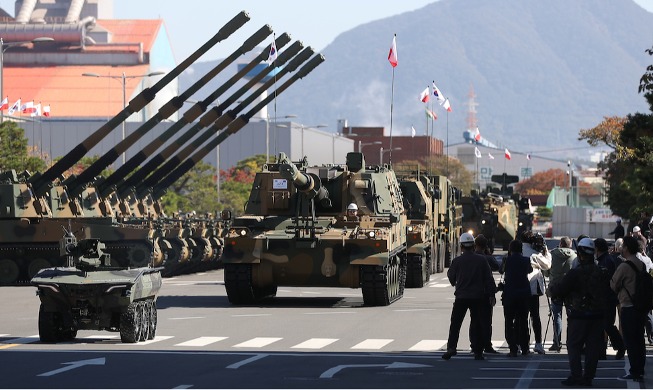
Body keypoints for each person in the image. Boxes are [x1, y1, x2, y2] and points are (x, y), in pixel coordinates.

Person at [549, 238, 606, 387]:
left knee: (574, 346)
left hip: (578, 315)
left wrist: (553, 289)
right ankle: (588, 377)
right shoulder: (600, 271)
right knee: (593, 347)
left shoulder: (575, 273)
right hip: (598, 315)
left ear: (580, 253)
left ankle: (576, 376)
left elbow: (560, 290)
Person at [442, 232, 496, 361]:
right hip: (478, 297)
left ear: (461, 246)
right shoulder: (482, 260)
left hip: (461, 296)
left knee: (455, 323)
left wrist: (457, 282)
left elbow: (451, 277)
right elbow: (489, 279)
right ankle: (478, 352)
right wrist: (492, 294)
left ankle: (451, 348)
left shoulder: (457, 261)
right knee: (477, 323)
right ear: (473, 246)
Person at [611, 236, 648, 382]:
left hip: (627, 306)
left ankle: (634, 371)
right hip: (640, 306)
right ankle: (640, 369)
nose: (621, 248)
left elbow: (613, 285)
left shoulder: (624, 266)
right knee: (639, 340)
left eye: (623, 246)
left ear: (626, 248)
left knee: (630, 341)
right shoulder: (641, 264)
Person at [500, 239, 533, 357]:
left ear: (510, 249)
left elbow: (501, 271)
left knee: (509, 322)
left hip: (510, 294)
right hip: (524, 293)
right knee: (523, 321)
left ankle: (513, 348)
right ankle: (525, 347)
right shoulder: (526, 260)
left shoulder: (506, 260)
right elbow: (530, 270)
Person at [594, 238, 626, 360]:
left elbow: (604, 280)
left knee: (606, 325)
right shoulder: (607, 259)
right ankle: (602, 351)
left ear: (597, 248)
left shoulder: (605, 261)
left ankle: (620, 346)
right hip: (607, 297)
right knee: (604, 325)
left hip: (606, 298)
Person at [521, 231, 552, 354]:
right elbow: (547, 265)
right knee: (535, 316)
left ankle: (521, 343)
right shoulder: (534, 254)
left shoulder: (518, 250)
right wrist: (546, 251)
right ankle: (538, 343)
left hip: (519, 288)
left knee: (521, 317)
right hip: (532, 289)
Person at [544, 236, 576, 352]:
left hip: (555, 288)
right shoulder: (574, 256)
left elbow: (547, 273)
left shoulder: (553, 254)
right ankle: (570, 342)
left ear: (560, 244)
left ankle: (556, 342)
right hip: (570, 289)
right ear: (570, 245)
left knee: (556, 315)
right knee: (571, 316)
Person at [473, 234, 500, 354]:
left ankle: (474, 344)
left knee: (474, 320)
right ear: (485, 246)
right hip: (485, 292)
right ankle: (487, 344)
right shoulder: (487, 258)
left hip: (472, 292)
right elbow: (497, 267)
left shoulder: (471, 257)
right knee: (487, 321)